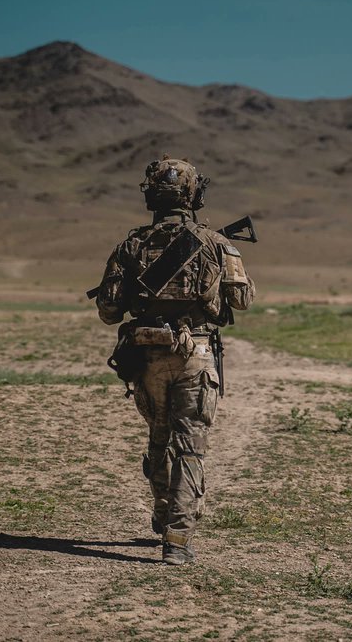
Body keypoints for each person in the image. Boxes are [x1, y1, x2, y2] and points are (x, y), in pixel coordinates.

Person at [95, 154, 255, 565]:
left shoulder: (130, 246)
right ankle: (177, 540)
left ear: (152, 196)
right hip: (195, 354)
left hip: (146, 356)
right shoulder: (215, 243)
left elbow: (109, 311)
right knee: (189, 447)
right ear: (195, 195)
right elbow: (242, 299)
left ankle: (163, 512)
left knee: (159, 438)